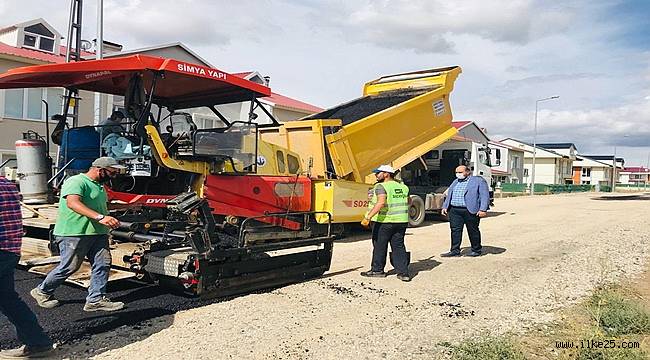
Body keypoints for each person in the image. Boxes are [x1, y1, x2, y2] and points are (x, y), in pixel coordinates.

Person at [30, 157, 126, 312]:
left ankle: (95, 300)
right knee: (69, 267)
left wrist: (130, 206)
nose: (113, 176)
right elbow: (73, 203)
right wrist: (101, 217)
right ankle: (42, 291)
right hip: (74, 233)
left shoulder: (100, 186)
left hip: (97, 233)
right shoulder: (77, 182)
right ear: (99, 170)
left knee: (102, 265)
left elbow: (101, 206)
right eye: (112, 172)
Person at [0, 176, 55, 358]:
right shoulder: (7, 184)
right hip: (10, 250)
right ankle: (38, 343)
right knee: (8, 300)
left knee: (8, 300)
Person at [360, 165, 411, 282]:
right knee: (398, 246)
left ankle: (377, 270)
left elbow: (381, 203)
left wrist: (368, 217)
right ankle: (403, 273)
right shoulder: (403, 187)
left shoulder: (380, 186)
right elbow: (409, 201)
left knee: (379, 246)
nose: (376, 175)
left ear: (386, 174)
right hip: (401, 221)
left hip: (384, 222)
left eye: (378, 173)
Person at [440, 165, 490, 257]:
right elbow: (449, 195)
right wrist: (445, 207)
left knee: (473, 230)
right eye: (456, 172)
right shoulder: (455, 182)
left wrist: (483, 209)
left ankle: (476, 250)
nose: (458, 174)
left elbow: (484, 195)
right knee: (455, 230)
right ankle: (454, 250)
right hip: (455, 210)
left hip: (470, 210)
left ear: (468, 172)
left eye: (460, 172)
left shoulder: (478, 181)